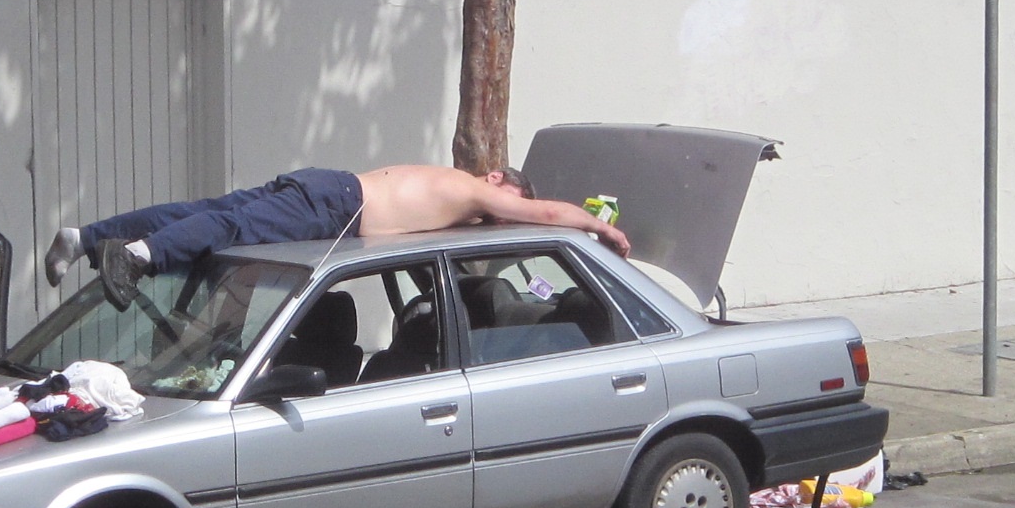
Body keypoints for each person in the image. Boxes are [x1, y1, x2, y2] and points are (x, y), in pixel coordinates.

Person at [43, 165, 631, 307]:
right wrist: (598, 224)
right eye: (511, 206)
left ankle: (85, 237)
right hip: (337, 204)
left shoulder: (446, 191)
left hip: (327, 185)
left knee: (205, 209)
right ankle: (138, 256)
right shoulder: (476, 188)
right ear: (501, 181)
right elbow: (550, 216)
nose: (506, 216)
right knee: (229, 227)